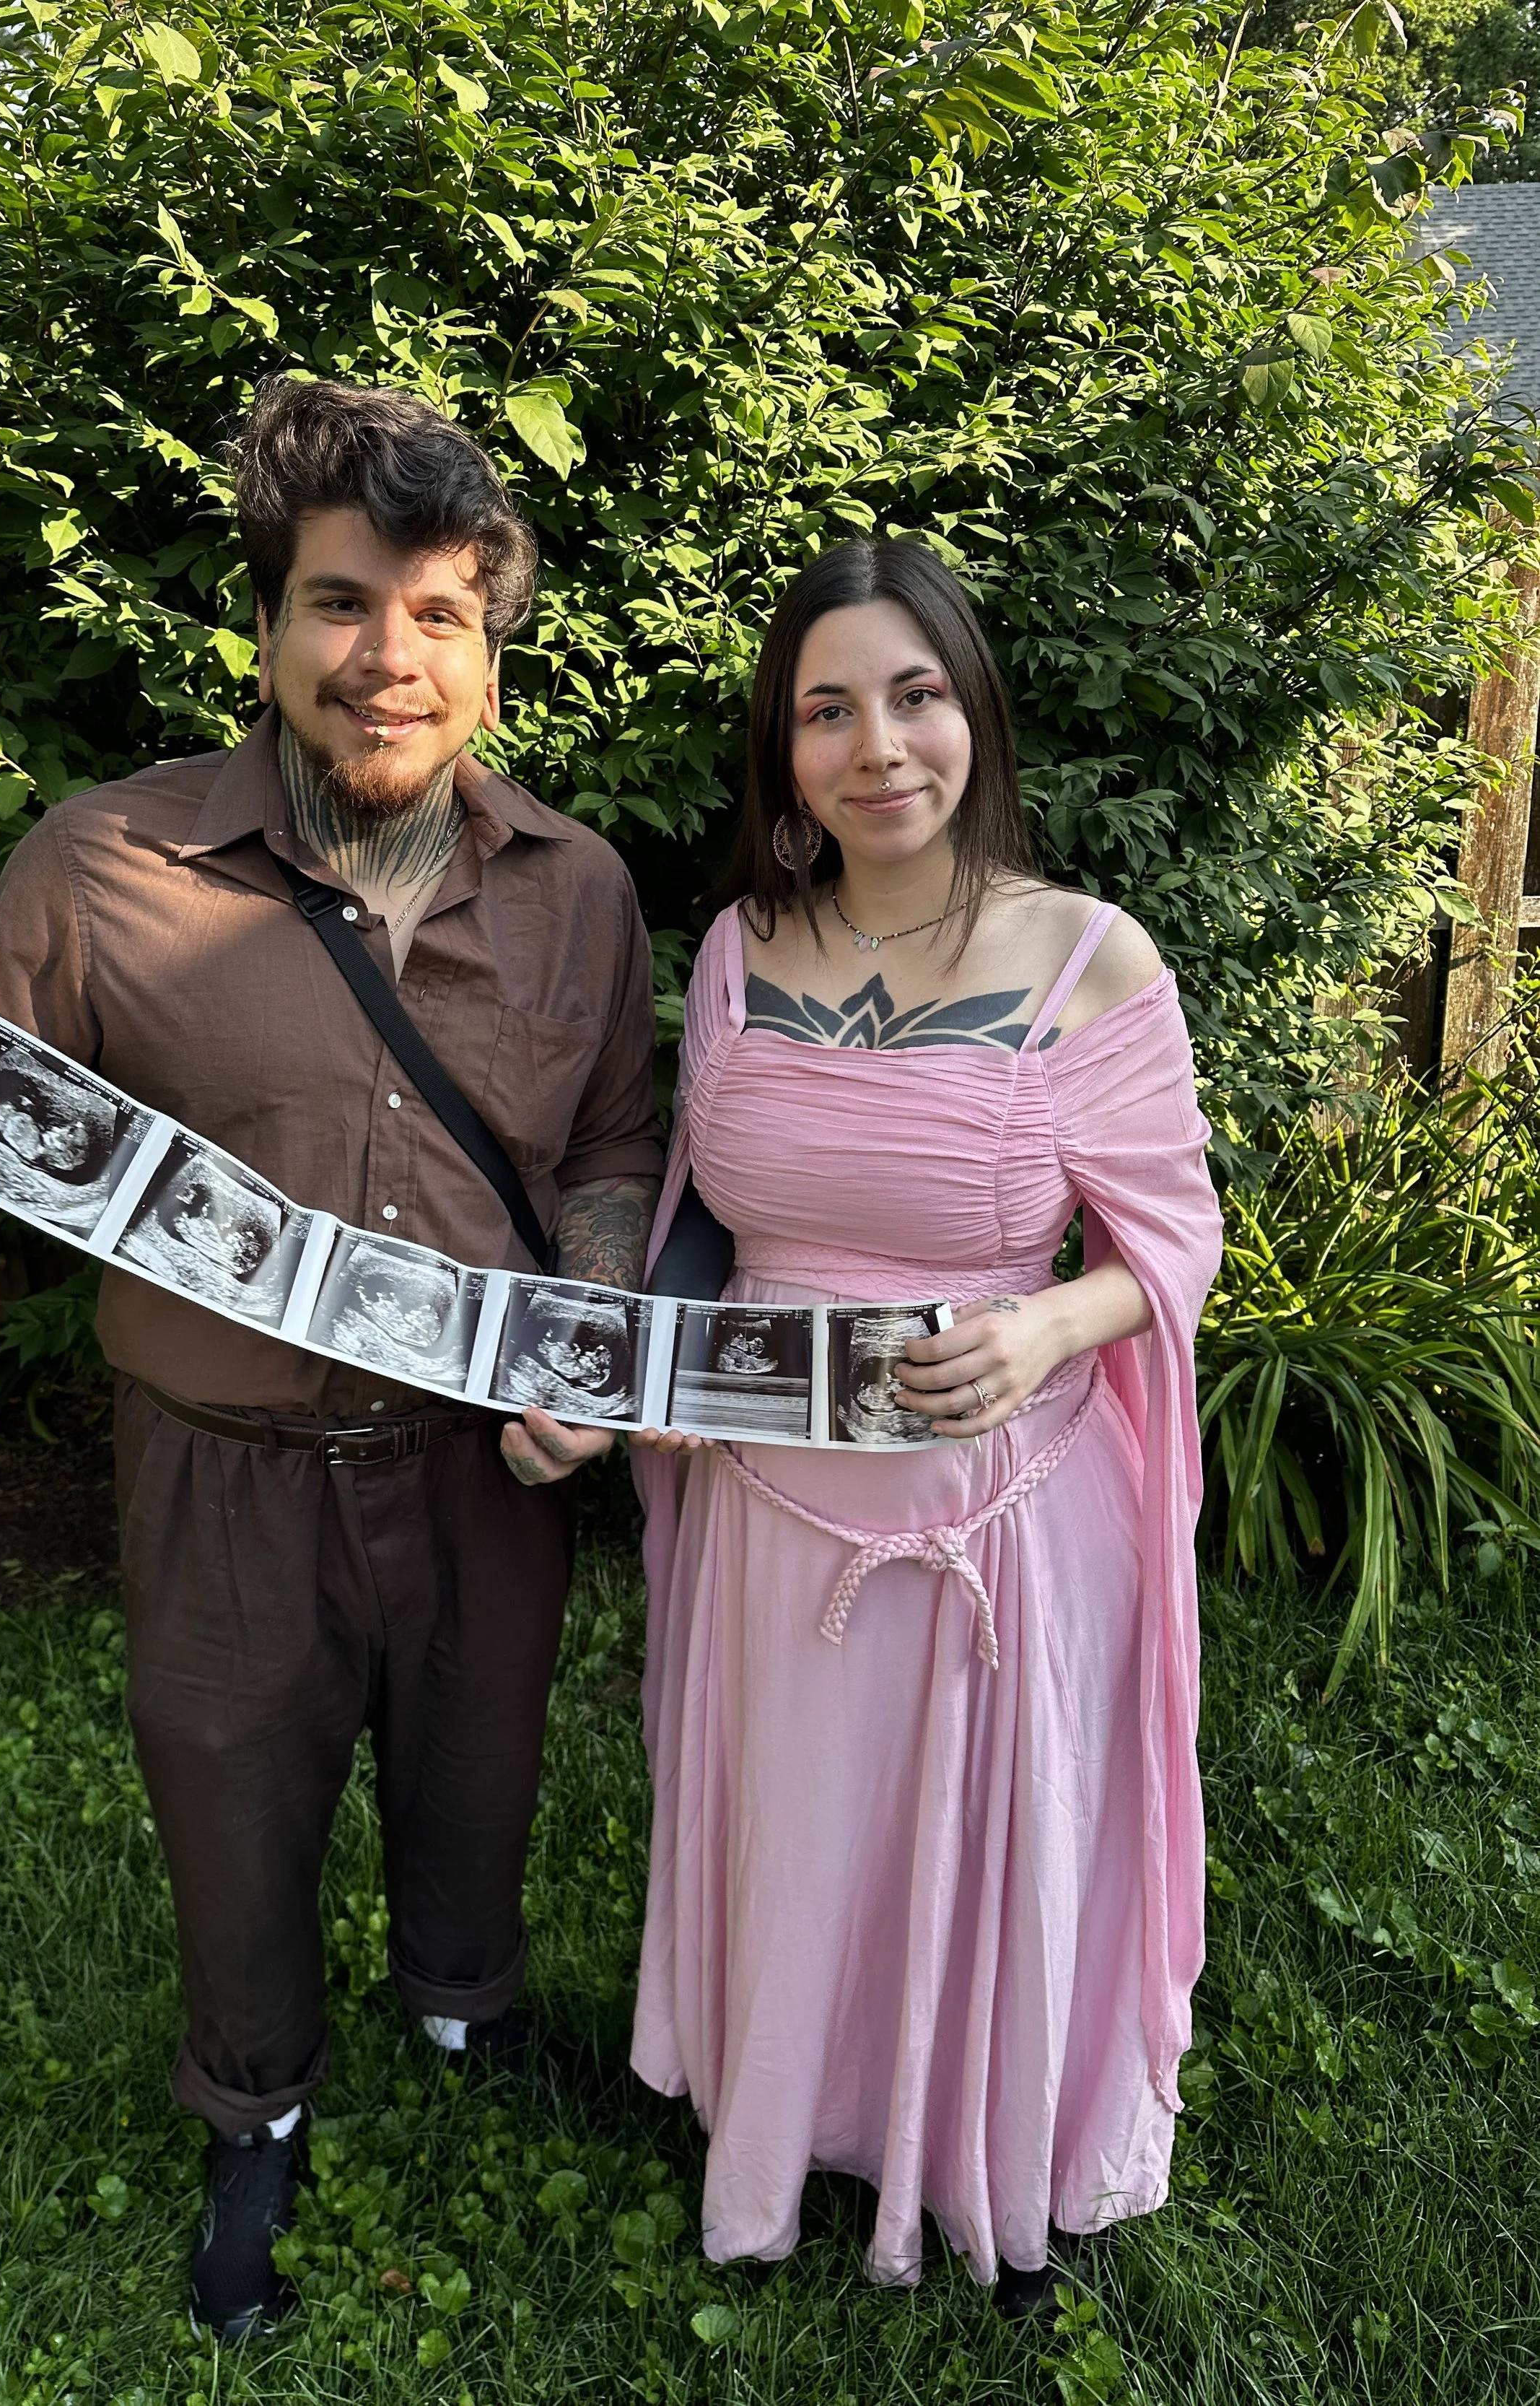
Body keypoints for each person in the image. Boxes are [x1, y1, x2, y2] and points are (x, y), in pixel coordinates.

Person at [0, 380, 663, 2342]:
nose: (388, 657)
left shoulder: (579, 890)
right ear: (264, 628)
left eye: (438, 614)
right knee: (229, 1797)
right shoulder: (109, 864)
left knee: (479, 1762)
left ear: (490, 653)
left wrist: (587, 1339)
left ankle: (462, 2006)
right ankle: (257, 2107)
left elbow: (607, 1150)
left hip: (481, 1461)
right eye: (340, 603)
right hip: (221, 1460)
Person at [629, 539, 1222, 2314]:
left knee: (975, 1832)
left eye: (913, 696)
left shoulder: (1088, 956)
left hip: (996, 1508)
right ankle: (790, 2113)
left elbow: (1171, 1238)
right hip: (771, 1508)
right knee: (805, 1821)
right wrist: (660, 1368)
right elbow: (701, 1206)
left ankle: (980, 2145)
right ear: (783, 748)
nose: (876, 746)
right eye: (826, 710)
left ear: (973, 712)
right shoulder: (738, 949)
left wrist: (1046, 1322)